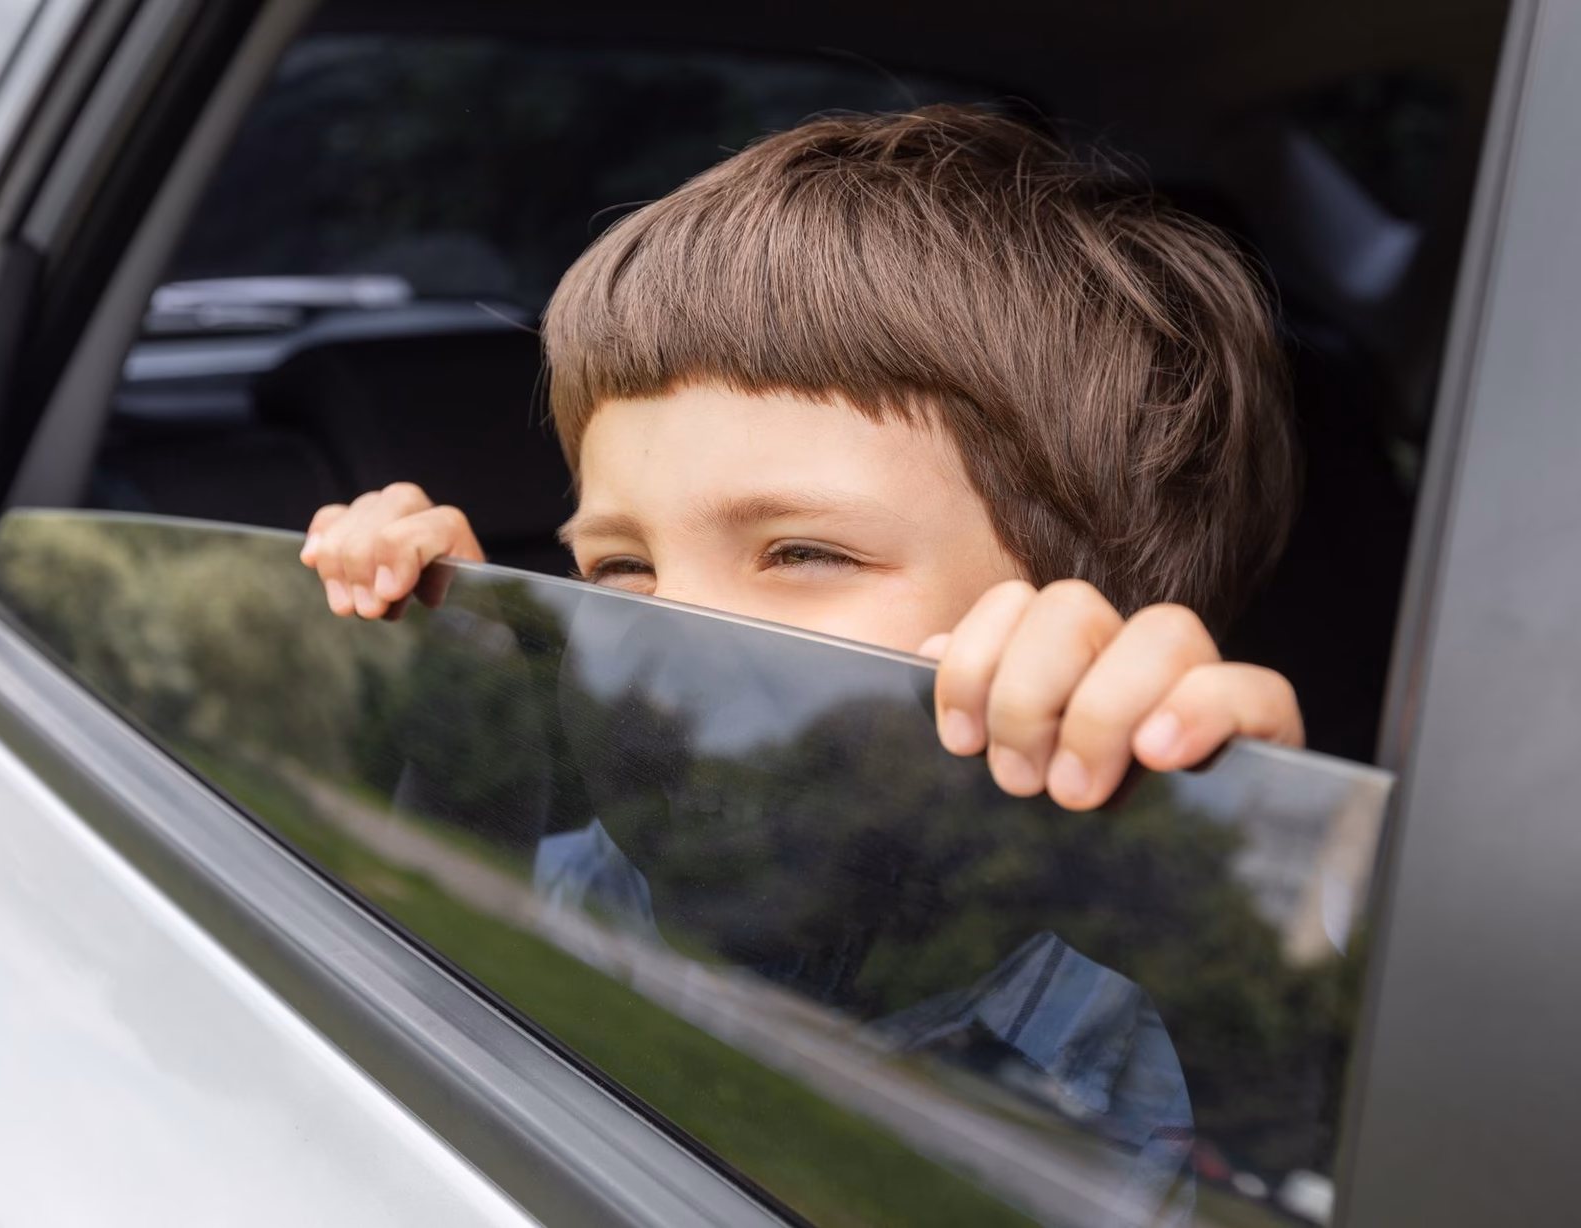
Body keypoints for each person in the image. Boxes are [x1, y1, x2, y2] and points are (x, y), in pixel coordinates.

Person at [300, 104, 1304, 812]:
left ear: (1091, 623)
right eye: (618, 568)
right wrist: (470, 697)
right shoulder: (617, 861)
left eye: (801, 553)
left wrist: (1253, 848)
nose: (647, 659)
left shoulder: (1140, 983)